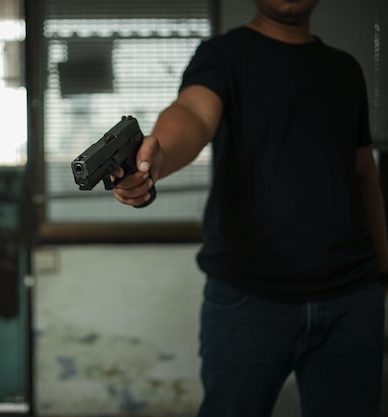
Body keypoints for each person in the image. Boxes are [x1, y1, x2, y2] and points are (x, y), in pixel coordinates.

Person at [112, 0, 388, 416]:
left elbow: (364, 173)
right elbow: (192, 115)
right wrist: (156, 158)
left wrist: (383, 274)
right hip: (248, 298)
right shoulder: (223, 56)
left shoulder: (345, 69)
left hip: (351, 299)